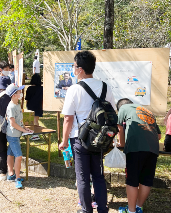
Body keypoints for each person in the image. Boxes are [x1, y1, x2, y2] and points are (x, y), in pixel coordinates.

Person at [58, 51, 115, 213]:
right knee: (98, 175)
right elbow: (112, 111)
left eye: (74, 66)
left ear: (81, 69)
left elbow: (68, 119)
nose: (73, 69)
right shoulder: (105, 87)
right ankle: (102, 209)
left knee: (82, 177)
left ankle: (86, 209)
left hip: (80, 139)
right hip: (100, 139)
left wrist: (63, 141)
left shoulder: (74, 89)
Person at [116, 98, 161, 213]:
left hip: (135, 147)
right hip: (153, 149)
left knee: (132, 180)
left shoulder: (123, 108)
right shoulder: (147, 111)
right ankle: (138, 207)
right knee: (146, 179)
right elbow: (159, 135)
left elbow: (119, 127)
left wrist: (122, 144)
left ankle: (131, 211)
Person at [5, 84, 33, 189]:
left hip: (16, 134)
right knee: (19, 156)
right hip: (13, 135)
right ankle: (17, 178)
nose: (20, 93)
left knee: (11, 154)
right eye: (18, 92)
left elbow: (19, 121)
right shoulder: (11, 106)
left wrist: (25, 128)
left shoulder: (17, 104)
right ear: (13, 95)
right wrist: (23, 130)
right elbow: (12, 123)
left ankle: (11, 174)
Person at [25, 74, 43, 140]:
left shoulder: (29, 88)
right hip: (38, 106)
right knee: (36, 120)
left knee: (31, 121)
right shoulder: (42, 88)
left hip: (31, 106)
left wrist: (26, 107)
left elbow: (27, 99)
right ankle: (36, 133)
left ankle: (35, 135)